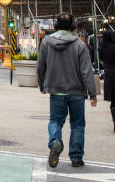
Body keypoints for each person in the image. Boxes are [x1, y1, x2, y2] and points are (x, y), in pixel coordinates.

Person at [37, 12, 97, 169]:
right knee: (77, 125)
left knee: (55, 121)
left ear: (55, 26)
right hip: (77, 91)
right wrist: (92, 93)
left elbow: (40, 66)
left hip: (56, 91)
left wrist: (42, 85)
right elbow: (87, 71)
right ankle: (76, 158)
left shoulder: (46, 42)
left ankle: (55, 141)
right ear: (72, 27)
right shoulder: (80, 44)